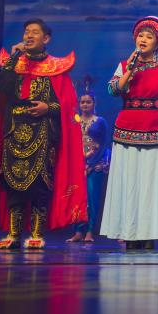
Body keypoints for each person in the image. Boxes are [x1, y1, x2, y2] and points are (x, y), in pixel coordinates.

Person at [0, 19, 86, 250]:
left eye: (35, 32)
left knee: (40, 185)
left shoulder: (55, 70)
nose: (29, 36)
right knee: (12, 185)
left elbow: (67, 107)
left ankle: (37, 233)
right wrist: (13, 58)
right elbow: (0, 87)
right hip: (13, 134)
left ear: (46, 39)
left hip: (43, 136)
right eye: (26, 32)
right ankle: (13, 234)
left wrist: (48, 108)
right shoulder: (14, 65)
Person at [100, 16, 158, 250]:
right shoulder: (124, 65)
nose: (143, 39)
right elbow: (113, 90)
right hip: (127, 130)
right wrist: (129, 71)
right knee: (129, 184)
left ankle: (149, 233)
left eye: (149, 36)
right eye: (140, 35)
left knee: (151, 186)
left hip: (156, 131)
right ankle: (129, 232)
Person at [68, 78, 110, 243]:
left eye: (88, 102)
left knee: (92, 198)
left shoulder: (100, 121)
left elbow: (103, 144)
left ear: (94, 103)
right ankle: (78, 231)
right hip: (78, 164)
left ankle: (90, 231)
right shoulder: (75, 120)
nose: (85, 105)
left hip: (95, 164)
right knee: (77, 198)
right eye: (82, 102)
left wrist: (91, 165)